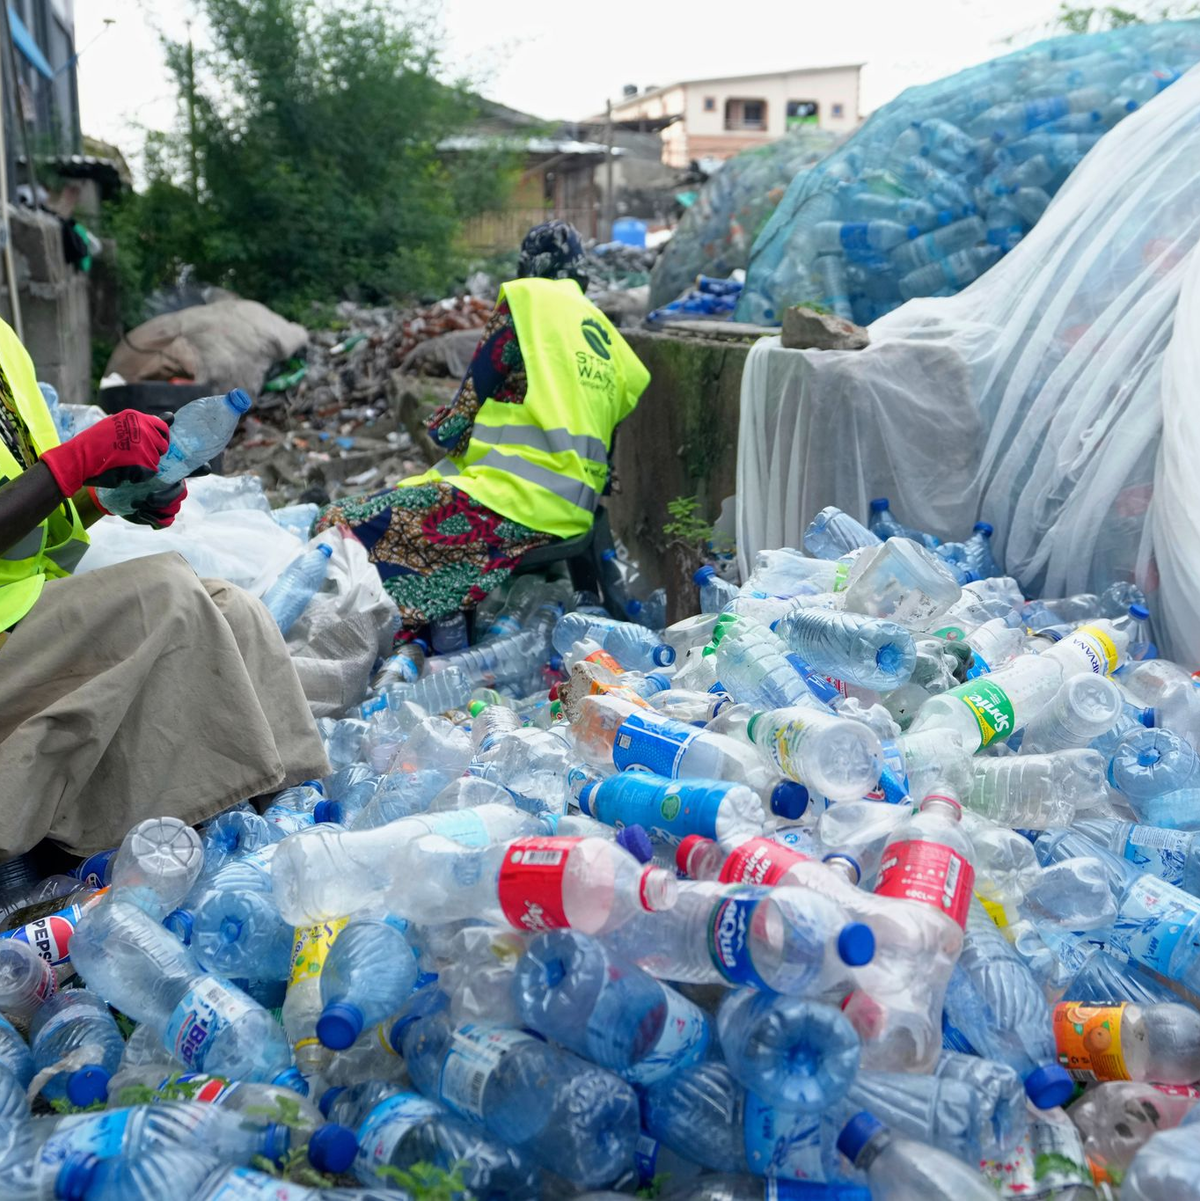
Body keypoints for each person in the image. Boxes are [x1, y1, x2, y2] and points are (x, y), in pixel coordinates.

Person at [0, 319, 328, 860]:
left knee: (232, 610)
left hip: (21, 623)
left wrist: (106, 499)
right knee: (166, 591)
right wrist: (74, 464)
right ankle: (139, 852)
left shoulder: (8, 349)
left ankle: (291, 825)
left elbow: (37, 528)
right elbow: (53, 476)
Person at [317, 220, 651, 631]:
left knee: (338, 521)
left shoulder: (529, 306)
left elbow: (458, 419)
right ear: (580, 270)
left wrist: (441, 428)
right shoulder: (610, 341)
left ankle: (371, 633)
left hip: (513, 503)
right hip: (576, 513)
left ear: (529, 266)